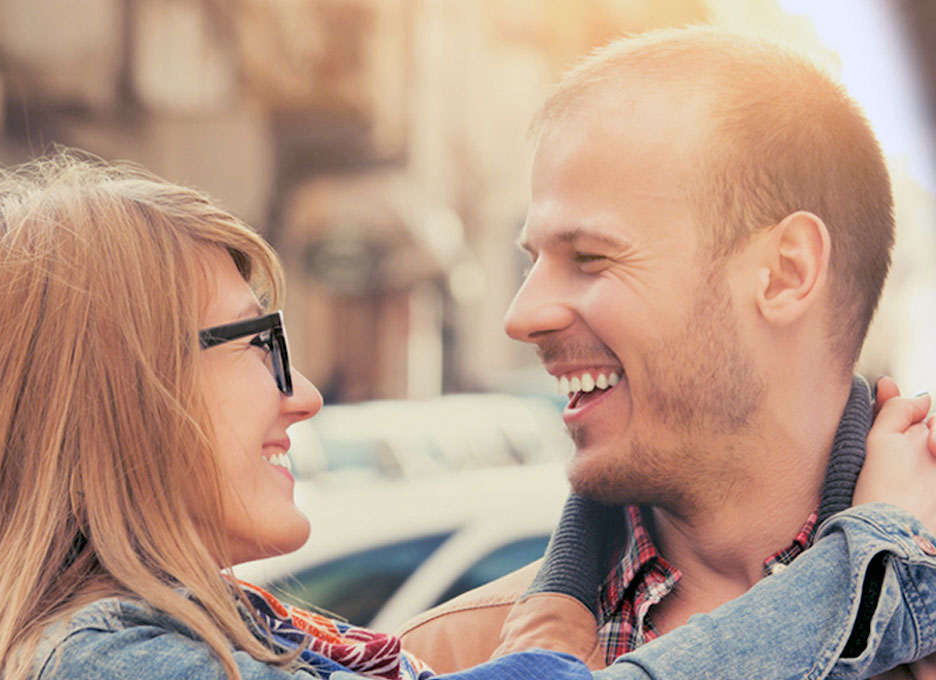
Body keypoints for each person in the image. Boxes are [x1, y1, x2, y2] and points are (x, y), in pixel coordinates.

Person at [0, 152, 934, 680]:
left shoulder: (207, 631)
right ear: (116, 391)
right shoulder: (108, 662)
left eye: (593, 257)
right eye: (255, 342)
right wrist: (876, 559)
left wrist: (582, 538)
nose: (303, 392)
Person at [397, 24, 936, 678]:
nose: (523, 316)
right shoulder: (442, 658)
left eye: (591, 258)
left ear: (785, 273)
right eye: (534, 261)